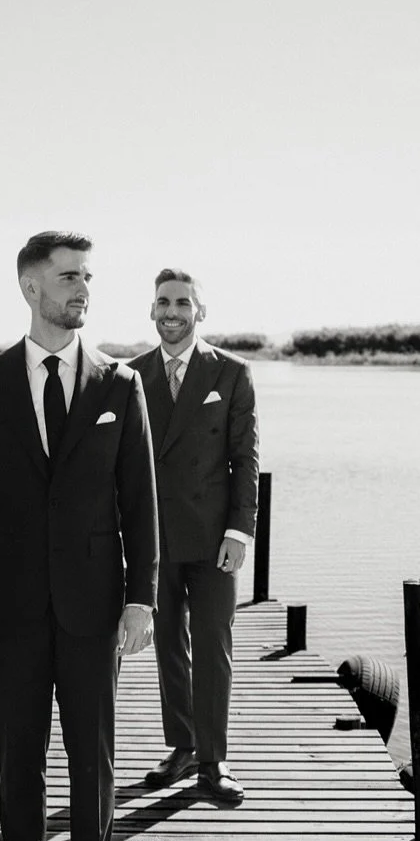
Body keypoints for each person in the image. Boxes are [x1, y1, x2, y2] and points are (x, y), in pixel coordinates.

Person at [0, 231, 159, 841]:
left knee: (92, 754)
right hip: (11, 604)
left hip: (96, 602)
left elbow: (141, 500)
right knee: (21, 754)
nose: (83, 289)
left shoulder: (120, 383)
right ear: (31, 287)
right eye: (69, 276)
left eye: (89, 277)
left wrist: (142, 597)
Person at [129, 269, 259, 805]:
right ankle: (181, 746)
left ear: (199, 311)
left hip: (212, 539)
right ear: (152, 310)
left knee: (213, 644)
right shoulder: (130, 375)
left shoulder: (230, 372)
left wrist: (240, 530)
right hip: (154, 539)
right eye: (163, 302)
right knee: (167, 647)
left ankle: (213, 760)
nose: (171, 311)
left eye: (182, 302)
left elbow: (244, 460)